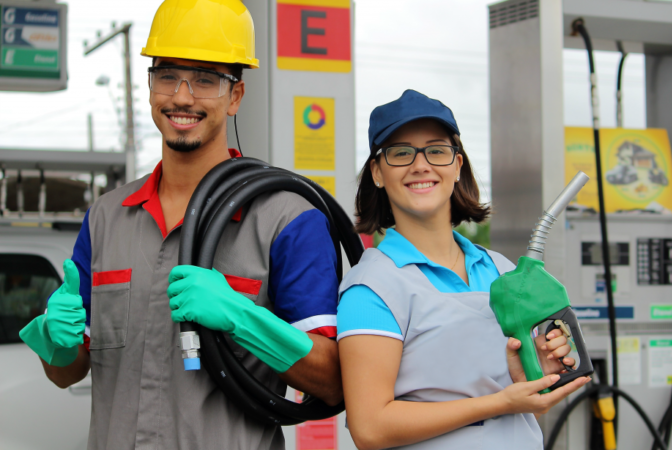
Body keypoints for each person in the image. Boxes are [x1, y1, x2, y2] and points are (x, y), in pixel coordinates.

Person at [18, 1, 342, 449]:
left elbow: (333, 381)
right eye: (167, 75)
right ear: (150, 86)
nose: (182, 96)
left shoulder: (287, 220)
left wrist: (241, 318)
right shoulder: (107, 217)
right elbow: (68, 371)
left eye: (206, 79)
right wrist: (58, 345)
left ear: (235, 96)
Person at [337, 89, 590, 450]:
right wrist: (502, 402)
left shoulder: (501, 271)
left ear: (457, 165)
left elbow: (525, 395)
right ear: (377, 172)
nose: (420, 165)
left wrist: (535, 375)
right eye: (401, 153)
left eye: (436, 150)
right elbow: (370, 427)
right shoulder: (371, 288)